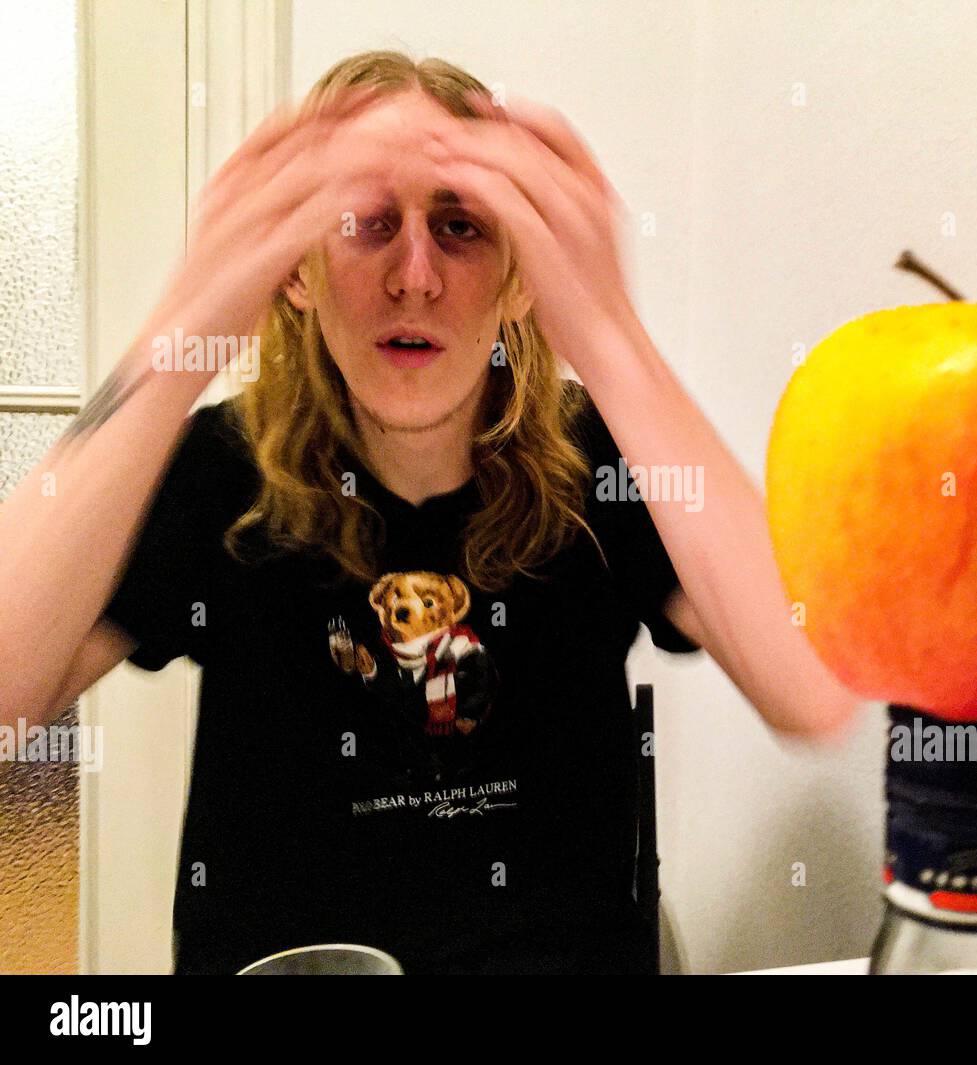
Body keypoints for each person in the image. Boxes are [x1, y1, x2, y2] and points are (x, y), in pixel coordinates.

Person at [0, 50, 858, 975]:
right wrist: (184, 325)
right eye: (367, 223)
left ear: (519, 280)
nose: (415, 276)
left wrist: (608, 334)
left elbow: (811, 680)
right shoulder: (221, 471)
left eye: (461, 227)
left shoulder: (599, 461)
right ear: (298, 271)